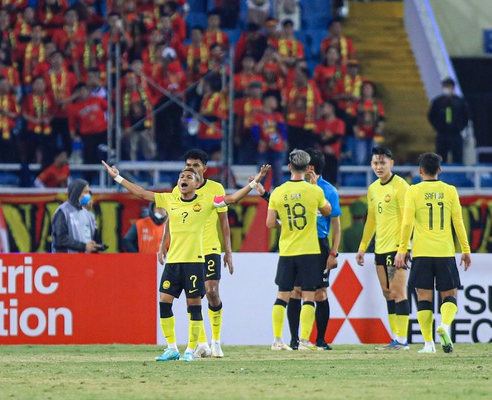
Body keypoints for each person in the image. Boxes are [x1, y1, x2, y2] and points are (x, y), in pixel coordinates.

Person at [102, 160, 270, 362]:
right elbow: (141, 193)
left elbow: (233, 198)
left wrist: (255, 182)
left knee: (194, 305)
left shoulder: (208, 201)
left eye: (189, 177)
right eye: (182, 176)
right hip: (173, 262)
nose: (184, 178)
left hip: (194, 262)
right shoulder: (169, 199)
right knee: (164, 302)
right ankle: (172, 347)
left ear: (197, 184)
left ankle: (191, 349)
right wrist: (117, 177)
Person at [158, 149, 235, 359]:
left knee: (211, 291)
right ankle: (201, 343)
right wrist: (163, 242)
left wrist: (228, 251)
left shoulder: (215, 188)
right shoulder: (178, 188)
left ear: (204, 169)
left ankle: (216, 341)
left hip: (209, 248)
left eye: (195, 166)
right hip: (186, 251)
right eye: (188, 166)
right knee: (194, 298)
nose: (190, 170)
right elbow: (171, 216)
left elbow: (224, 221)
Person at [395, 152, 472, 354]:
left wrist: (402, 249)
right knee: (450, 295)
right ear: (439, 169)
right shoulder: (450, 190)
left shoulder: (413, 191)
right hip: (444, 252)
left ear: (420, 171)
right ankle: (445, 326)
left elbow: (407, 223)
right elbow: (458, 222)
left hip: (421, 252)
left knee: (423, 297)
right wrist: (466, 249)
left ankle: (428, 344)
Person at [267, 149, 332, 350]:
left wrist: (284, 223)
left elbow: (270, 223)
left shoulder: (278, 191)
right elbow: (327, 211)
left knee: (282, 295)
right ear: (307, 168)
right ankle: (304, 341)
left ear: (289, 167)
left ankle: (277, 340)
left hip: (287, 250)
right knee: (309, 295)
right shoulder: (314, 190)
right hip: (309, 250)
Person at [355, 146, 410, 350]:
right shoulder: (373, 188)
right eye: (375, 163)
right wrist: (363, 247)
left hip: (397, 249)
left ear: (391, 164)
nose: (379, 167)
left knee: (398, 292)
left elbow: (407, 220)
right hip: (379, 249)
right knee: (387, 293)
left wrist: (403, 249)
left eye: (382, 163)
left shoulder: (401, 186)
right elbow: (371, 220)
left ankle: (403, 340)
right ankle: (395, 338)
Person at [286, 148, 341, 350]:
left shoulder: (329, 191)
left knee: (320, 293)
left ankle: (321, 340)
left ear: (310, 167)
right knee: (296, 291)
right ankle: (295, 340)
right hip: (298, 242)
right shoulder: (293, 187)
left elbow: (336, 225)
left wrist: (333, 253)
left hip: (319, 244)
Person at [427, 77, 470, 164]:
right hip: (442, 134)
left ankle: (458, 176)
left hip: (455, 134)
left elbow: (466, 116)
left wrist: (460, 127)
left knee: (458, 158)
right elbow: (431, 116)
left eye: (448, 86)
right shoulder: (438, 102)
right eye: (445, 86)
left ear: (453, 88)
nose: (447, 89)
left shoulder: (460, 102)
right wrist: (438, 127)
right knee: (440, 158)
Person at [51, 178, 100, 253]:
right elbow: (60, 239)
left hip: (84, 261)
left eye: (89, 192)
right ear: (77, 192)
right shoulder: (63, 211)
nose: (88, 195)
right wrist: (84, 246)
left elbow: (89, 239)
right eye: (85, 192)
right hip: (65, 260)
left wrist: (93, 247)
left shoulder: (88, 215)